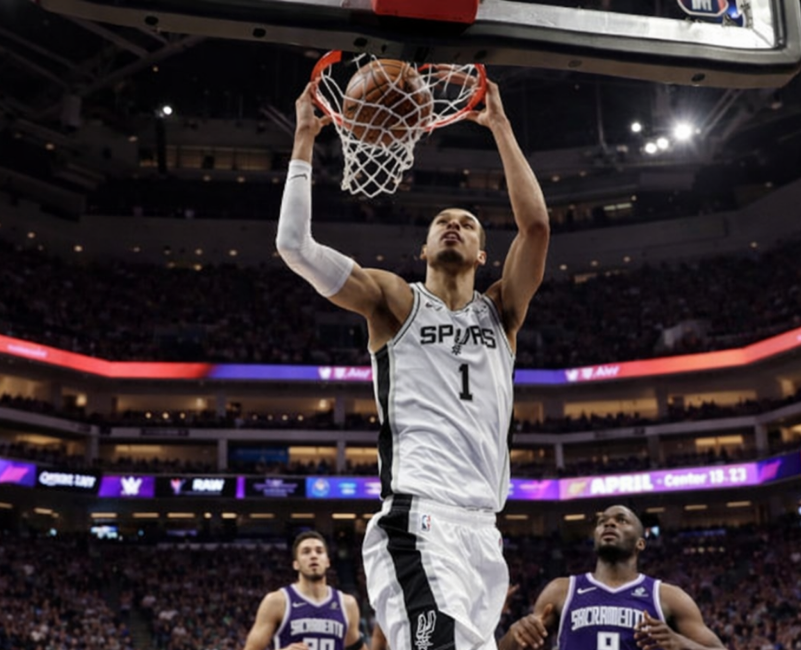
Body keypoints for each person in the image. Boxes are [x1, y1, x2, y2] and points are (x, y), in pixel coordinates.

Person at [277, 73, 550, 650]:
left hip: (484, 532)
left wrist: (500, 125)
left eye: (468, 223)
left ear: (482, 253)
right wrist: (304, 138)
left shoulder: (502, 312)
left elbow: (537, 227)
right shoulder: (394, 302)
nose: (454, 223)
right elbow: (294, 247)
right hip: (417, 520)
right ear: (423, 249)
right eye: (441, 221)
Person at [499, 506, 726, 650]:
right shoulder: (561, 590)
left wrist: (681, 644)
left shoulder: (668, 596)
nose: (609, 523)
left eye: (621, 520)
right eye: (602, 521)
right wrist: (514, 633)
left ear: (640, 542)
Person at [243, 531, 367, 650]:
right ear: (296, 564)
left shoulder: (347, 604)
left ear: (327, 562)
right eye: (306, 552)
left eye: (319, 551)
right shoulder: (277, 601)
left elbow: (355, 644)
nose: (313, 556)